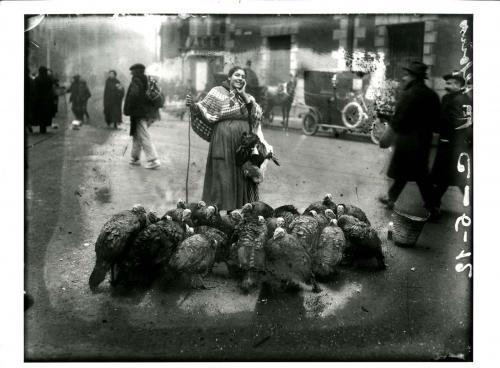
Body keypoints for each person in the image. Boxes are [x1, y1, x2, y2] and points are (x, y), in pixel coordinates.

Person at [186, 66, 272, 211]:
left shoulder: (248, 97)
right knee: (223, 175)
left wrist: (243, 94)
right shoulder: (217, 92)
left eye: (243, 77)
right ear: (229, 77)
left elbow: (256, 115)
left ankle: (238, 210)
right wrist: (193, 106)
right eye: (237, 75)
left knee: (242, 175)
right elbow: (204, 110)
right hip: (223, 141)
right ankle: (216, 210)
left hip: (244, 144)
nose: (240, 78)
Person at [377, 61, 441, 217]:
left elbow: (399, 119)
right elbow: (437, 121)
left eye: (407, 75)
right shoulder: (432, 95)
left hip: (408, 140)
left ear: (414, 77)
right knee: (408, 173)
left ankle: (433, 207)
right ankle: (391, 198)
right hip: (423, 140)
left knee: (418, 175)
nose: (404, 78)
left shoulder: (409, 94)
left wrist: (388, 136)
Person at [430, 73, 472, 215]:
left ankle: (434, 205)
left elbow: (458, 123)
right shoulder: (456, 98)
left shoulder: (459, 100)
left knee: (453, 178)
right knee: (446, 178)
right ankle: (434, 204)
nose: (447, 86)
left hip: (452, 145)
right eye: (446, 83)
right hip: (453, 144)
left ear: (459, 85)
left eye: (451, 83)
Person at [123, 63, 161, 169]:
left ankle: (153, 160)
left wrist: (130, 108)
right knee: (137, 134)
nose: (131, 73)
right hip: (144, 112)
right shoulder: (145, 79)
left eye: (133, 71)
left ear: (136, 71)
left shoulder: (136, 80)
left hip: (139, 113)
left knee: (143, 135)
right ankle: (135, 158)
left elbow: (134, 95)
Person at [33, 66, 56, 134]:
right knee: (46, 114)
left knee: (40, 114)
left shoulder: (37, 79)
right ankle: (44, 128)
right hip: (48, 99)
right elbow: (52, 86)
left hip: (39, 99)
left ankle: (41, 127)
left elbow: (35, 89)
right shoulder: (49, 79)